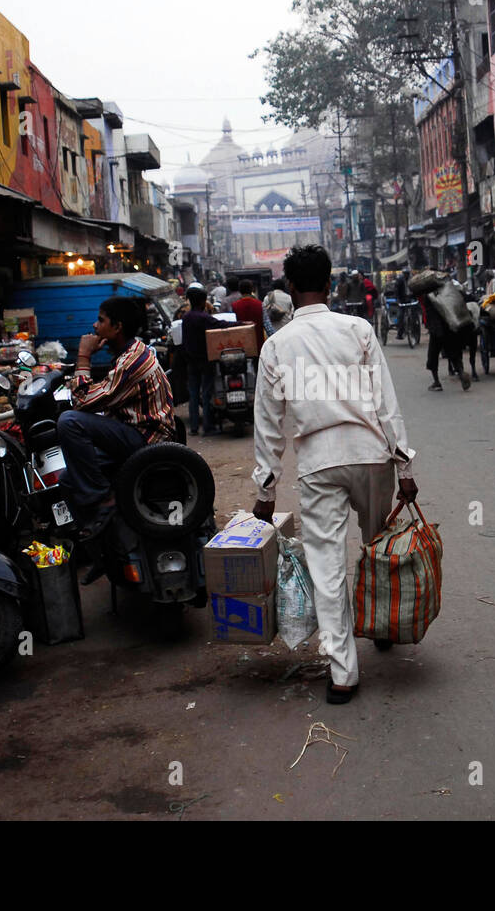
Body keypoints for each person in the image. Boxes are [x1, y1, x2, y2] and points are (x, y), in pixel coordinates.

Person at [251, 244, 418, 705]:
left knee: (327, 567)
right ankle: (381, 622)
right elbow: (386, 403)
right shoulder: (358, 329)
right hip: (371, 457)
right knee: (376, 543)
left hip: (319, 464)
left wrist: (266, 491)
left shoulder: (276, 346)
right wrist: (404, 465)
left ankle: (344, 675)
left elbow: (268, 425)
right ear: (329, 284)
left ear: (289, 287)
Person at [57, 298, 176, 536]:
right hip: (133, 432)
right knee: (68, 480)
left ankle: (103, 499)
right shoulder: (130, 354)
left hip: (146, 441)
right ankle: (105, 542)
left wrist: (83, 356)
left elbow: (82, 402)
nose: (94, 326)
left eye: (101, 320)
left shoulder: (132, 361)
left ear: (117, 327)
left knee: (69, 422)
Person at [181, 283, 229, 436]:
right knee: (207, 393)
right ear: (202, 301)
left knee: (194, 395)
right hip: (205, 361)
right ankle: (208, 426)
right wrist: (243, 323)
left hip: (191, 362)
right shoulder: (203, 317)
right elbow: (221, 324)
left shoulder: (186, 318)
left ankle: (194, 427)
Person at [231, 280, 266, 351]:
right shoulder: (260, 304)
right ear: (252, 290)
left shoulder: (234, 305)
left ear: (240, 291)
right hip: (258, 344)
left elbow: (232, 325)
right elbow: (267, 325)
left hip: (241, 345)